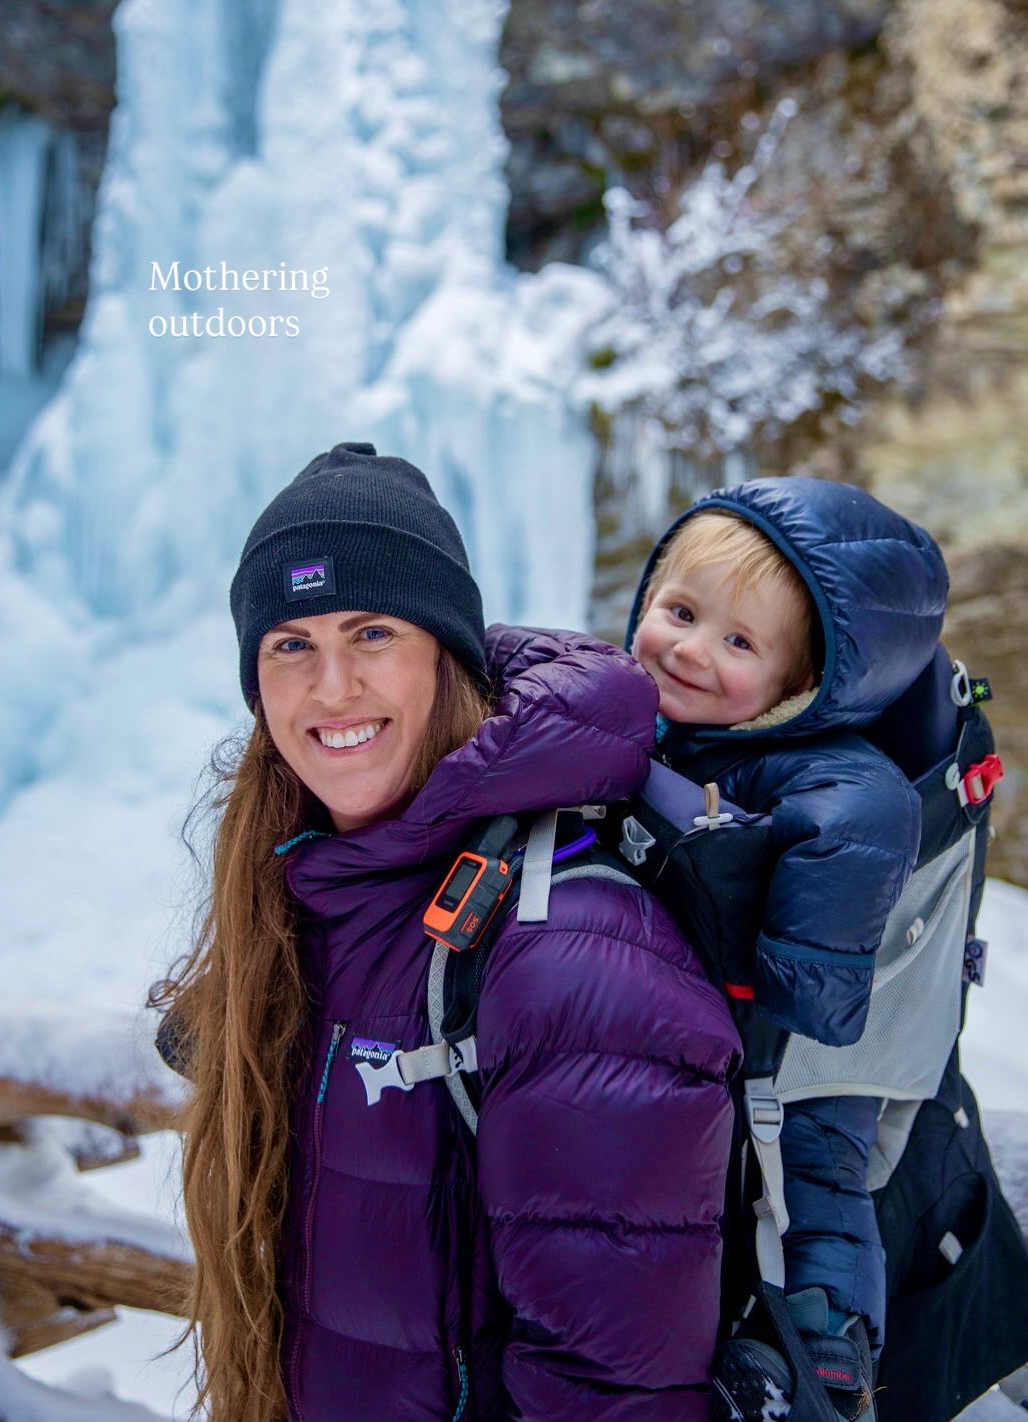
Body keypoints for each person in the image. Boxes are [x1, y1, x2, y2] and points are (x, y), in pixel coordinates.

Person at [153, 441, 740, 1422]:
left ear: (447, 654)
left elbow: (612, 1394)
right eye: (290, 644)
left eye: (372, 631)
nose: (330, 687)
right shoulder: (307, 893)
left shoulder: (568, 953)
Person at [626, 475, 948, 1420]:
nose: (690, 649)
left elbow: (866, 820)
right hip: (726, 1019)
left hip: (812, 1046)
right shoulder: (674, 719)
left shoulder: (815, 761)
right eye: (679, 612)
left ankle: (827, 1351)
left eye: (738, 643)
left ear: (798, 686)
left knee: (814, 1173)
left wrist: (800, 985)